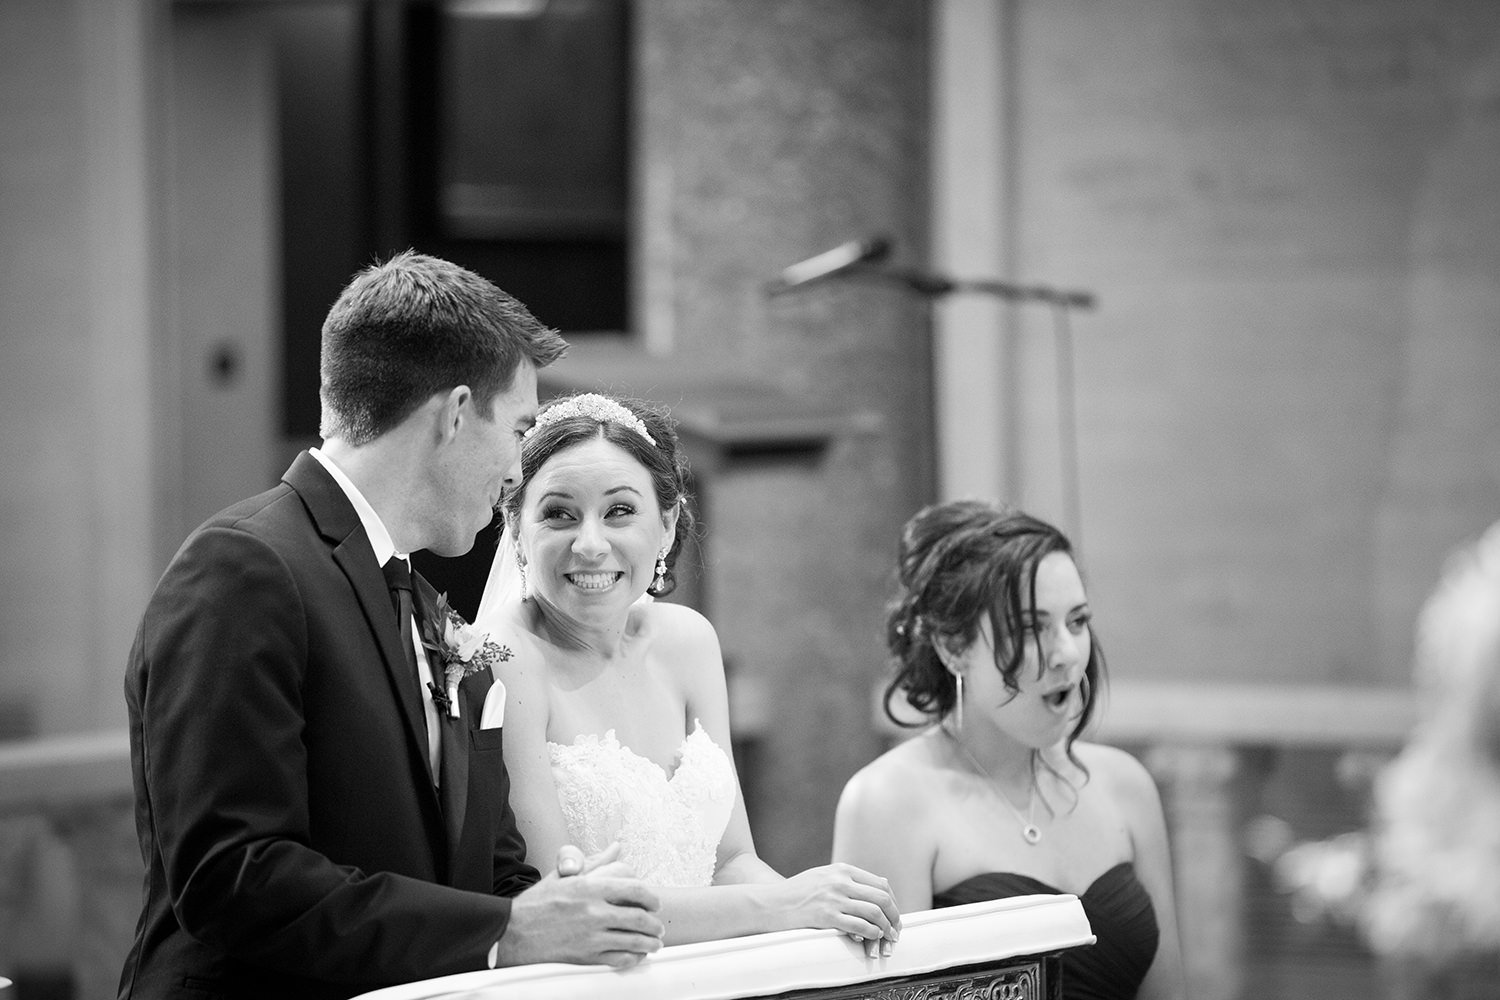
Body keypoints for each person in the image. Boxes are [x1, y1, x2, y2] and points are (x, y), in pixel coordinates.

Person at [119, 253, 664, 1000]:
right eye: (519, 429)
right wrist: (505, 932)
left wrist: (546, 901)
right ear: (455, 413)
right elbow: (234, 875)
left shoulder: (420, 600)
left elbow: (465, 864)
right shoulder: (243, 568)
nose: (517, 469)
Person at [472, 391, 902, 954]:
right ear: (516, 528)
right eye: (559, 514)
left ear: (668, 524)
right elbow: (570, 905)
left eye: (620, 511)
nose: (591, 543)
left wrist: (826, 918)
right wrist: (788, 903)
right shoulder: (506, 656)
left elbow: (731, 860)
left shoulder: (688, 641)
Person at [832, 500, 1185, 1000]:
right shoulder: (888, 802)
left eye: (1078, 621)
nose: (1067, 654)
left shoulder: (1125, 786)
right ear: (954, 647)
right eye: (1032, 628)